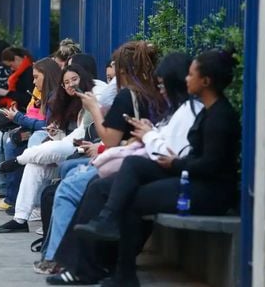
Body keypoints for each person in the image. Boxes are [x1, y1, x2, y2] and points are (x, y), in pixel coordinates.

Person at [71, 49, 241, 287]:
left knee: (133, 198)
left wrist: (174, 162)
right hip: (191, 178)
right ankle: (109, 227)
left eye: (191, 75)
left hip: (208, 192)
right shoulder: (207, 110)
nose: (187, 79)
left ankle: (124, 272)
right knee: (133, 164)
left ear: (206, 81)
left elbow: (211, 165)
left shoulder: (220, 116)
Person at [37, 52, 202, 277]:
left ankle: (66, 260)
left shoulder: (177, 107)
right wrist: (148, 134)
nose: (112, 76)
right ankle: (96, 263)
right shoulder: (172, 105)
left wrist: (96, 110)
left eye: (115, 70)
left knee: (74, 188)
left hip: (161, 171)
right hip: (144, 164)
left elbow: (117, 141)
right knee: (85, 182)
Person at [0, 64, 94, 233]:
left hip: (81, 153)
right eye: (66, 82)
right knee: (34, 166)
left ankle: (19, 160)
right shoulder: (64, 101)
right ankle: (20, 218)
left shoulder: (90, 99)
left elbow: (77, 137)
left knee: (44, 148)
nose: (71, 85)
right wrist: (55, 131)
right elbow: (60, 133)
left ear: (83, 78)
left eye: (74, 80)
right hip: (65, 152)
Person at [0, 58, 61, 204]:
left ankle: (15, 197)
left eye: (36, 77)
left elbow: (47, 125)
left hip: (40, 131)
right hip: (29, 126)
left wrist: (19, 118)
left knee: (11, 141)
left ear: (48, 76)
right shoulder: (40, 91)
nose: (34, 82)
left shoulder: (57, 95)